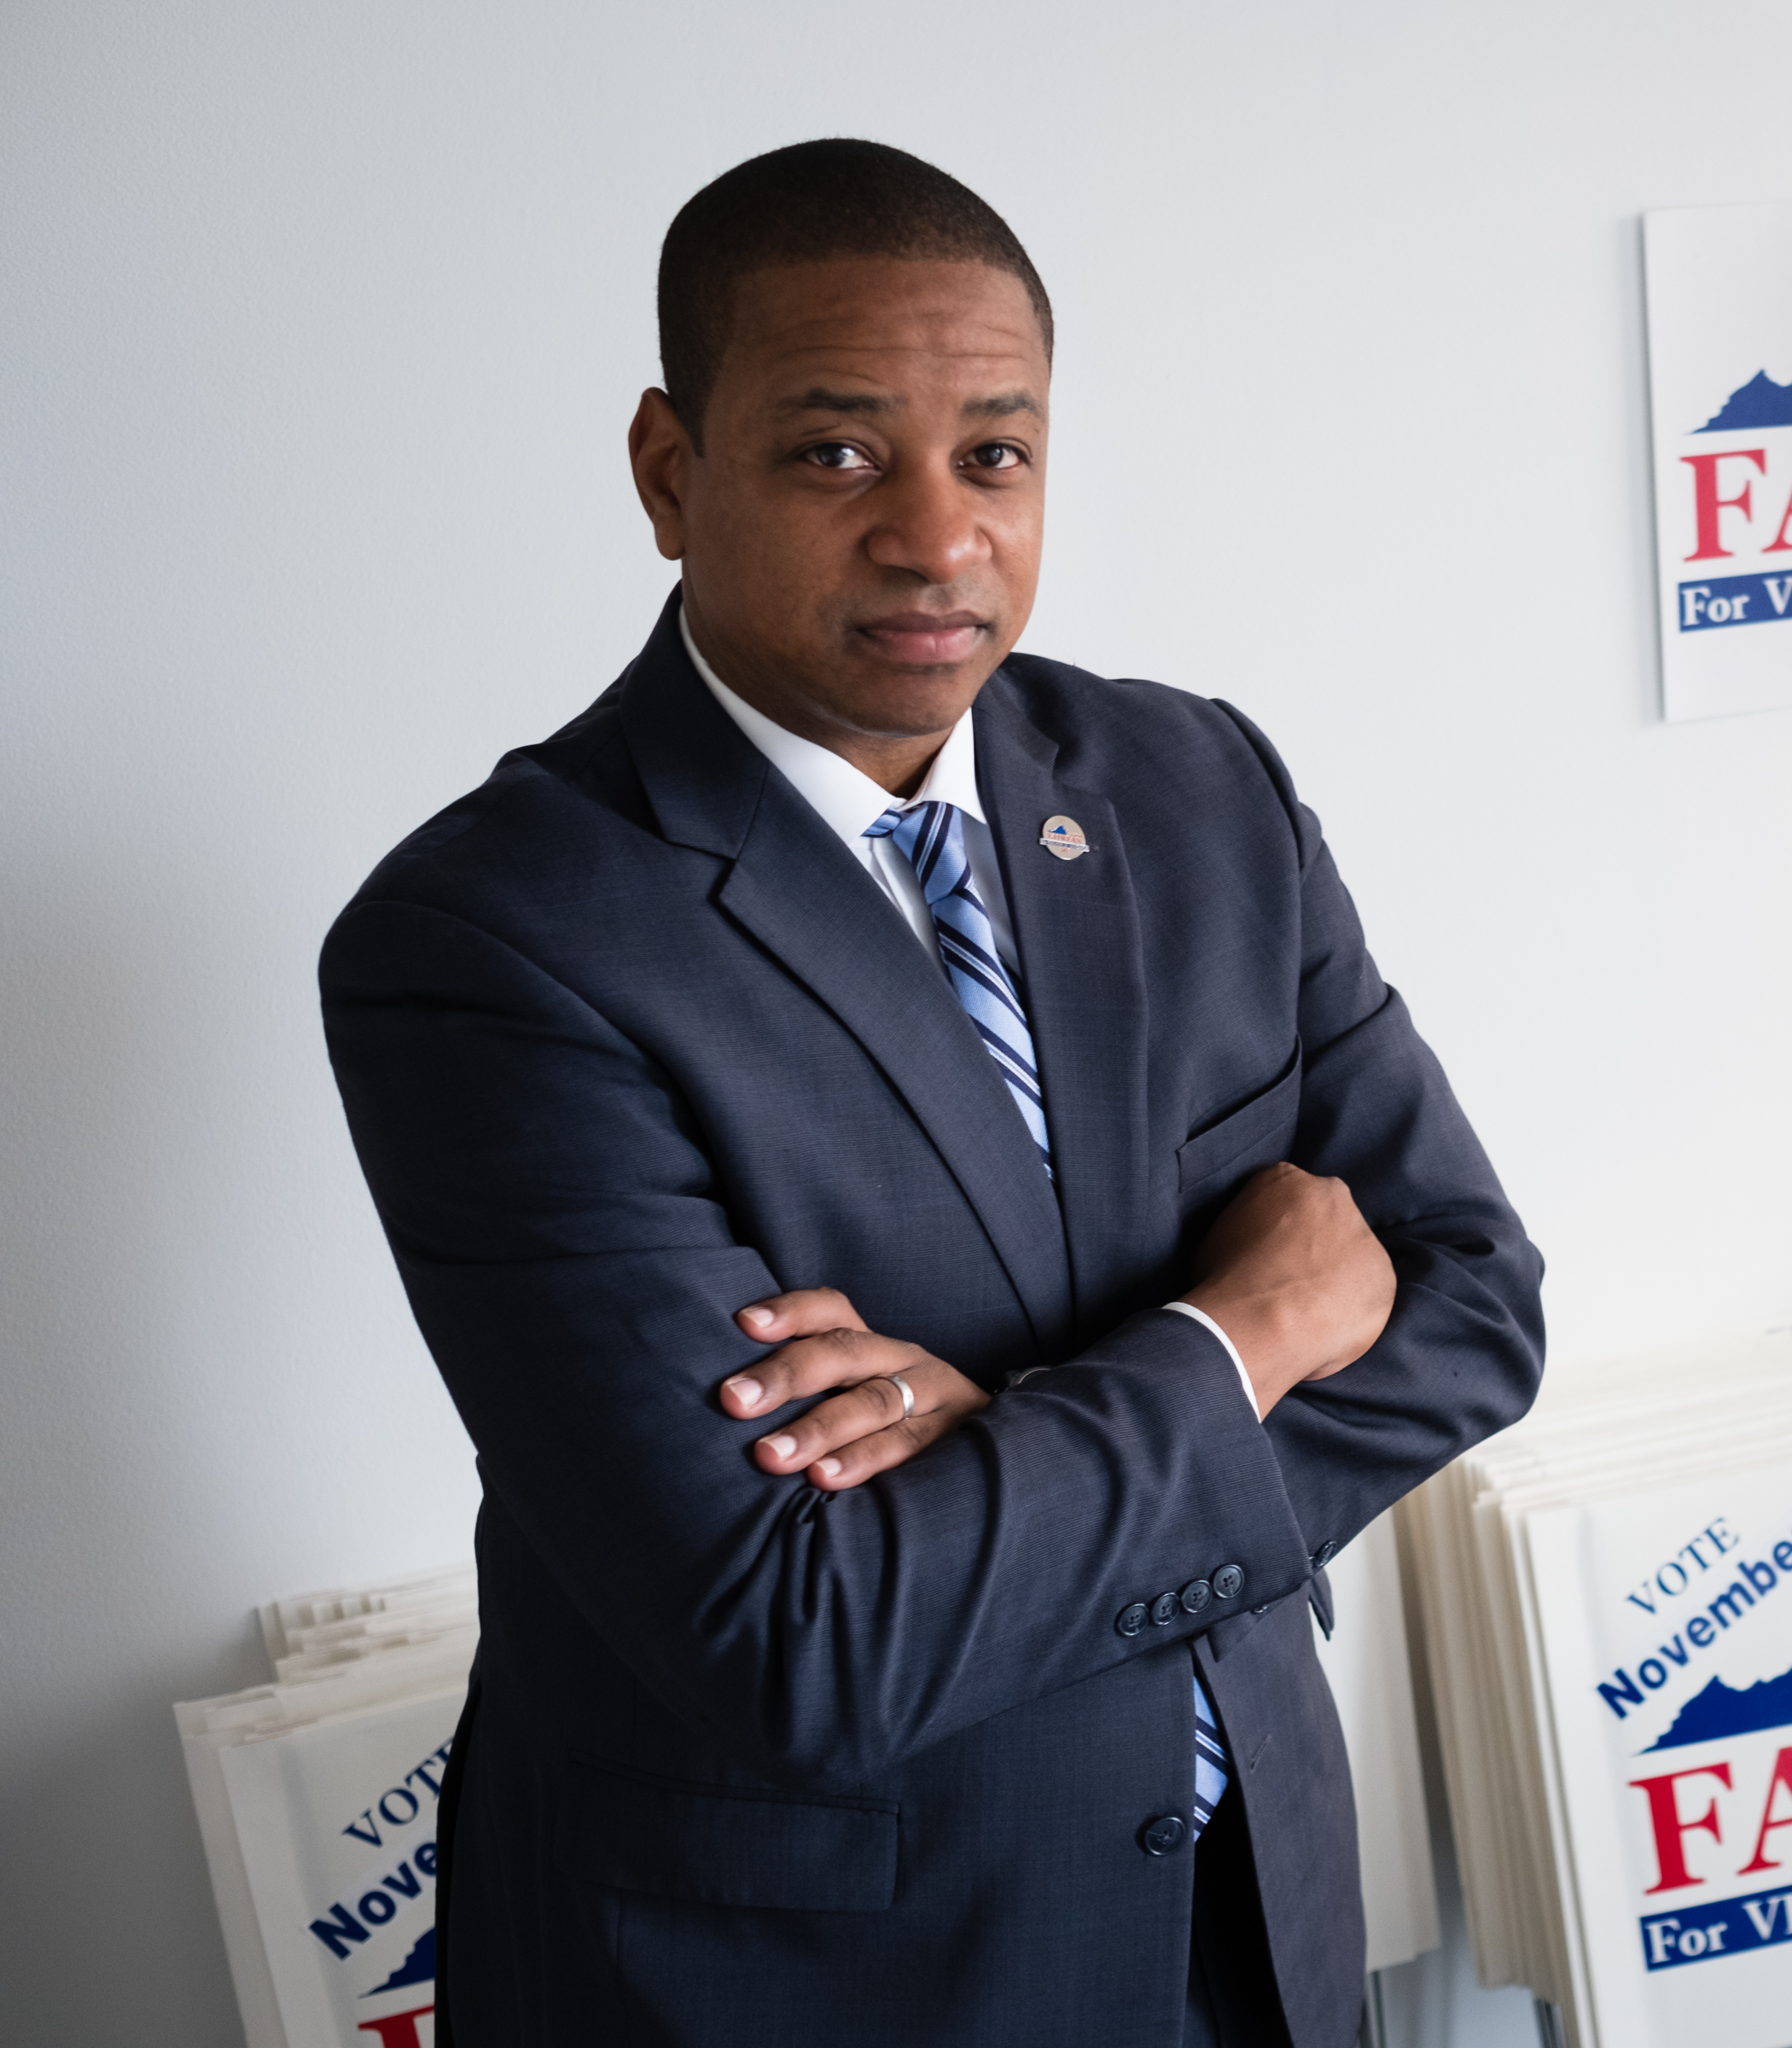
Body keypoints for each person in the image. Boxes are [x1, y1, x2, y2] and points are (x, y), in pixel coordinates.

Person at [320, 137, 1544, 2047]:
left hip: (1251, 1927)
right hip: (813, 1985)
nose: (937, 535)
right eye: (836, 453)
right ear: (668, 471)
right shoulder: (496, 943)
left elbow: (1472, 1307)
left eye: (995, 451)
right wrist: (1238, 1337)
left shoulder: (1194, 790)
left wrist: (1023, 1442)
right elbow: (804, 1637)